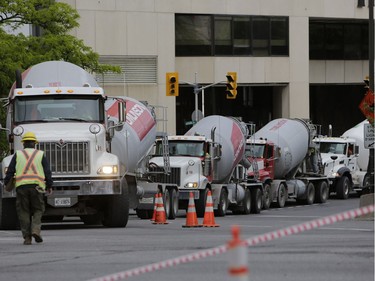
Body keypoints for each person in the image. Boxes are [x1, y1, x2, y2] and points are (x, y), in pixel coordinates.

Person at [4, 132, 53, 245]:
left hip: (22, 187)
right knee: (38, 209)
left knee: (23, 212)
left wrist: (7, 183)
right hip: (37, 187)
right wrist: (49, 185)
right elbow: (47, 172)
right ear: (34, 144)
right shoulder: (40, 154)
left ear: (23, 144)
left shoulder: (18, 154)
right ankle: (35, 230)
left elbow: (10, 171)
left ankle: (27, 238)